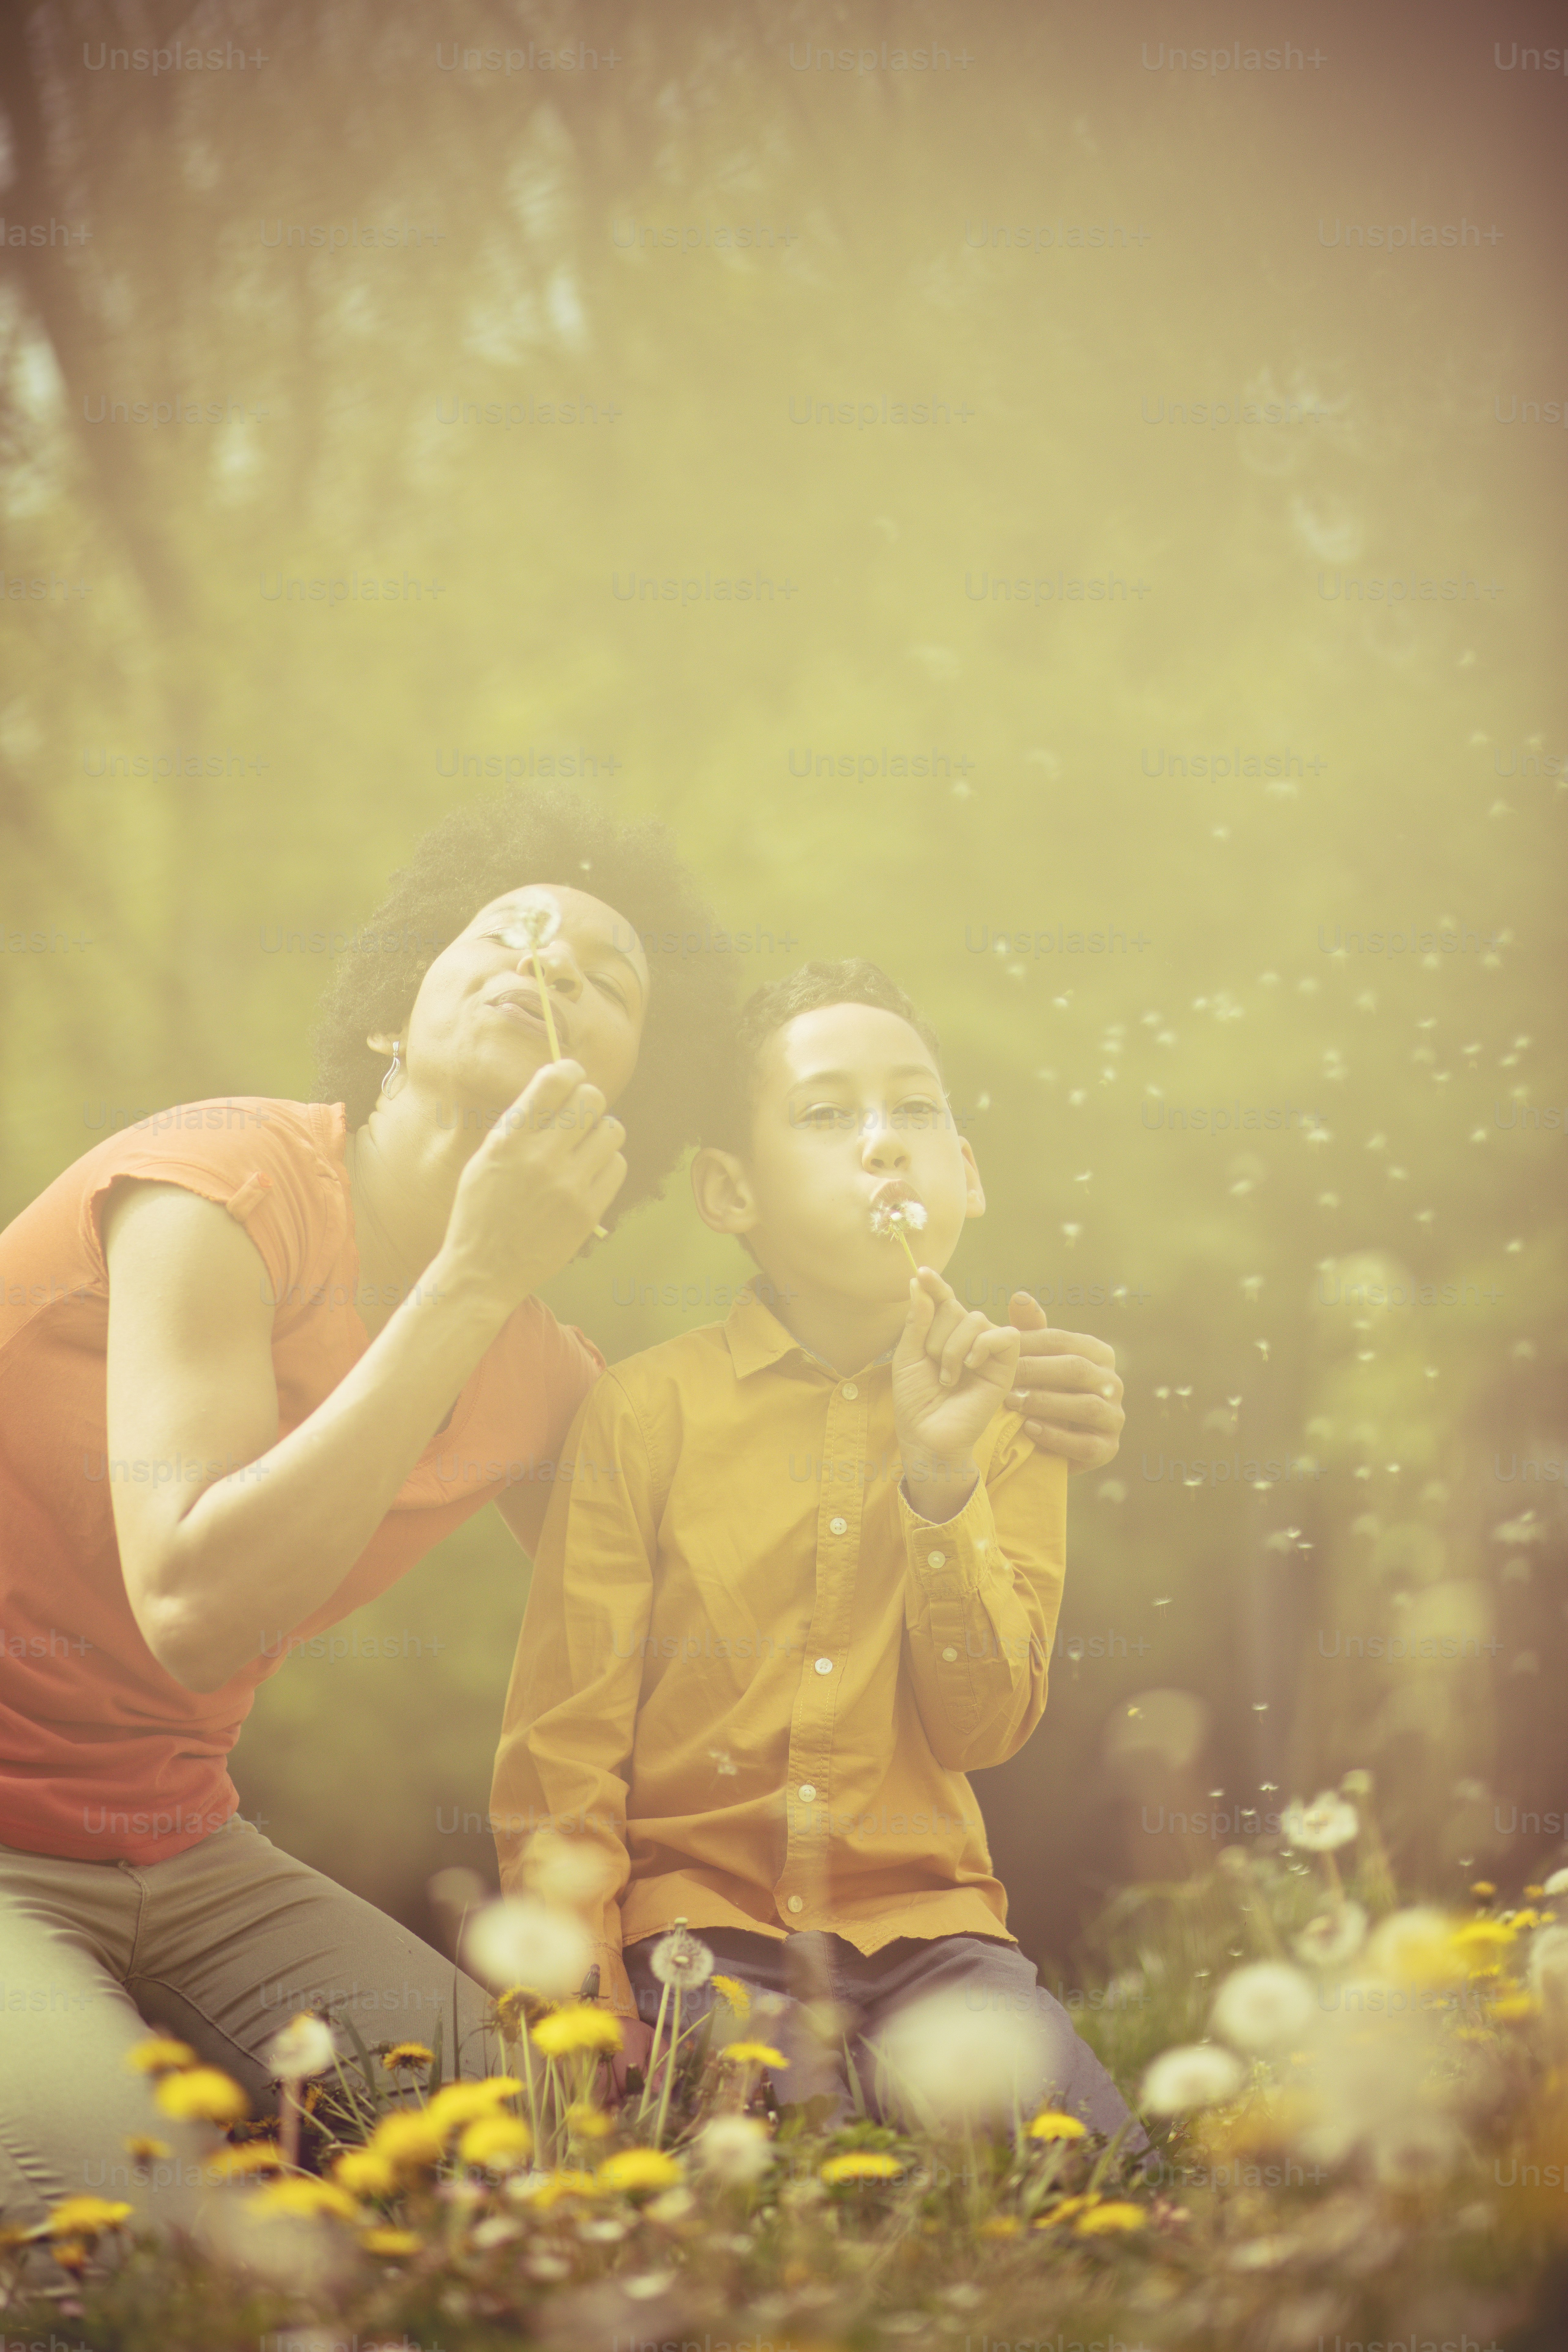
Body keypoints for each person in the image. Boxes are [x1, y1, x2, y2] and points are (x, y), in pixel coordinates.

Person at [0, 798, 1126, 2245]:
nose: (546, 962)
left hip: (178, 1844)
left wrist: (973, 1435)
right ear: (394, 1011)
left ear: (622, 1116)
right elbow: (195, 1605)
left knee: (560, 2166)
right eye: (507, 931)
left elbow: (755, 1588)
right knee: (127, 2252)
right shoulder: (218, 1188)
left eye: (608, 978)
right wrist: (475, 1274)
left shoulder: (550, 1385)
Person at [490, 959, 1144, 2145]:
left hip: (938, 1940)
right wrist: (584, 2005)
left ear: (967, 1172)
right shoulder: (643, 1412)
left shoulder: (1010, 1421)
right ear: (729, 1190)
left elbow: (984, 1726)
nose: (883, 1141)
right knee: (784, 2180)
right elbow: (564, 1742)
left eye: (915, 1108)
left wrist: (938, 1476)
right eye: (828, 1112)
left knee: (1099, 2181)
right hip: (698, 1941)